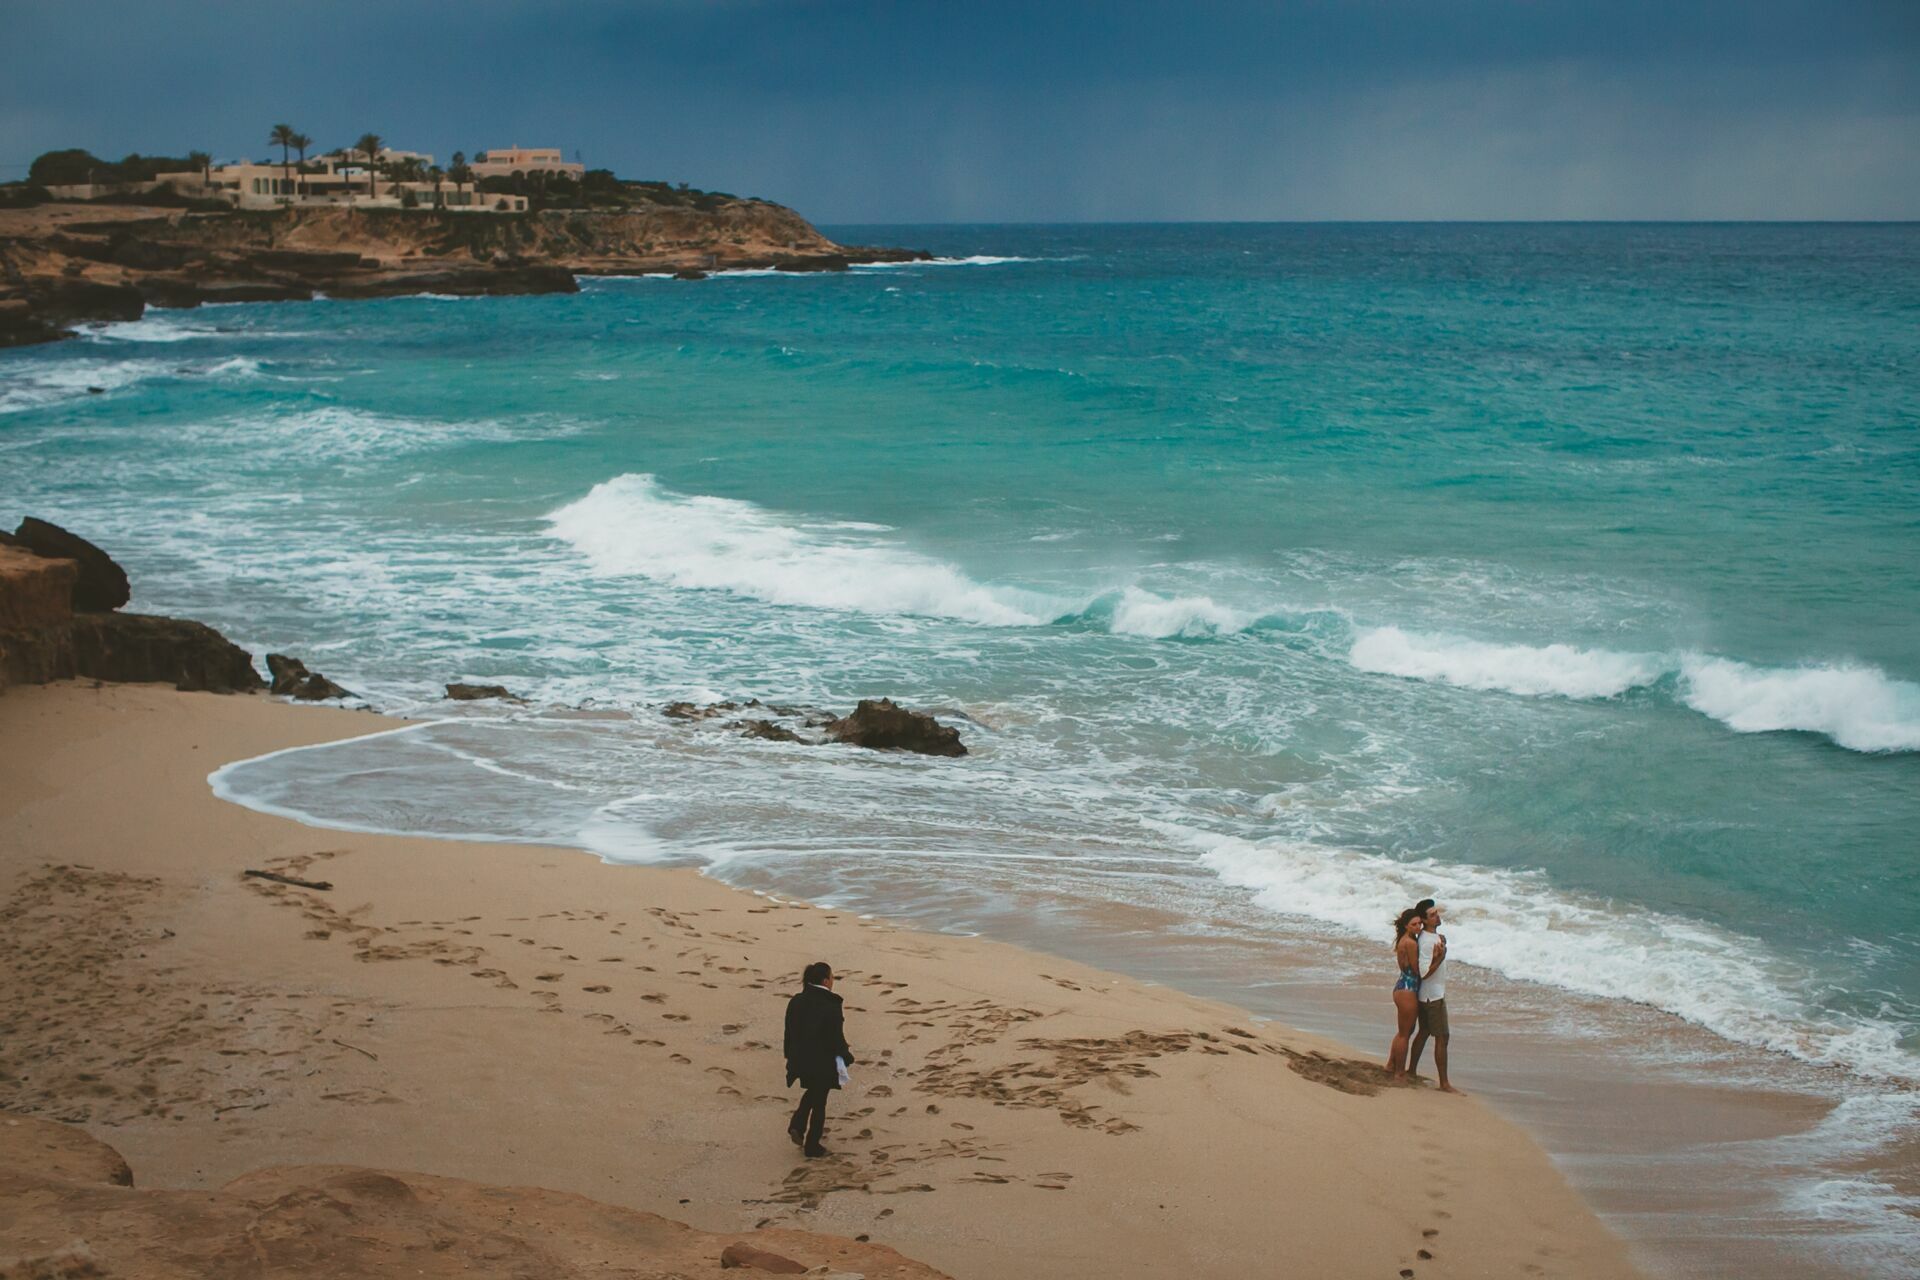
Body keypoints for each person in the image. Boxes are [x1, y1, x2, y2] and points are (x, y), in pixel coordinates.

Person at [784, 960, 853, 1158]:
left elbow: (788, 1031)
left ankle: (797, 1125)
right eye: (832, 978)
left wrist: (789, 1055)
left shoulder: (796, 1000)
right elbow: (834, 1037)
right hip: (821, 1060)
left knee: (814, 1092)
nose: (833, 981)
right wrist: (846, 1056)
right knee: (820, 1100)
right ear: (825, 980)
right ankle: (812, 1145)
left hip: (799, 1057)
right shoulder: (830, 1005)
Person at [1407, 900, 1459, 1093]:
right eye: (1432, 915)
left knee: (1425, 1032)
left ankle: (1412, 1071)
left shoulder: (1430, 936)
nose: (1437, 916)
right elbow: (1424, 972)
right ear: (1425, 920)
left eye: (1436, 913)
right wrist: (1440, 958)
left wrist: (1441, 943)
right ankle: (1444, 1083)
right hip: (1432, 997)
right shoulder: (1427, 942)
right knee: (1442, 1037)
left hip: (1429, 994)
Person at [1386, 907, 1424, 1080]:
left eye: (1419, 923)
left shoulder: (1404, 939)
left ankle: (1391, 1065)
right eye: (1414, 924)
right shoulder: (1410, 943)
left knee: (1404, 1032)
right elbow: (1417, 970)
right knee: (1405, 1033)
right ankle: (1399, 1073)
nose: (1418, 927)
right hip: (1408, 989)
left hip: (1402, 986)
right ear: (1407, 926)